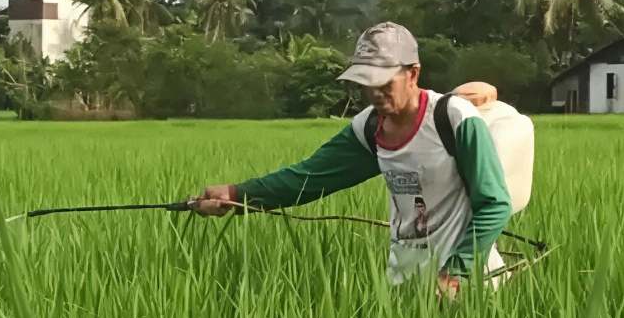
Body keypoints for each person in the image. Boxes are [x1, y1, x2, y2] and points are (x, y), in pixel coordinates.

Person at [192, 22, 513, 299]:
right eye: (366, 84)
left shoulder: (453, 118)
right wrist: (236, 195)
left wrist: (455, 274)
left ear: (413, 73)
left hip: (472, 289)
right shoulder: (369, 128)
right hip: (407, 287)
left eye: (384, 83)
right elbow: (307, 178)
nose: (375, 93)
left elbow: (495, 203)